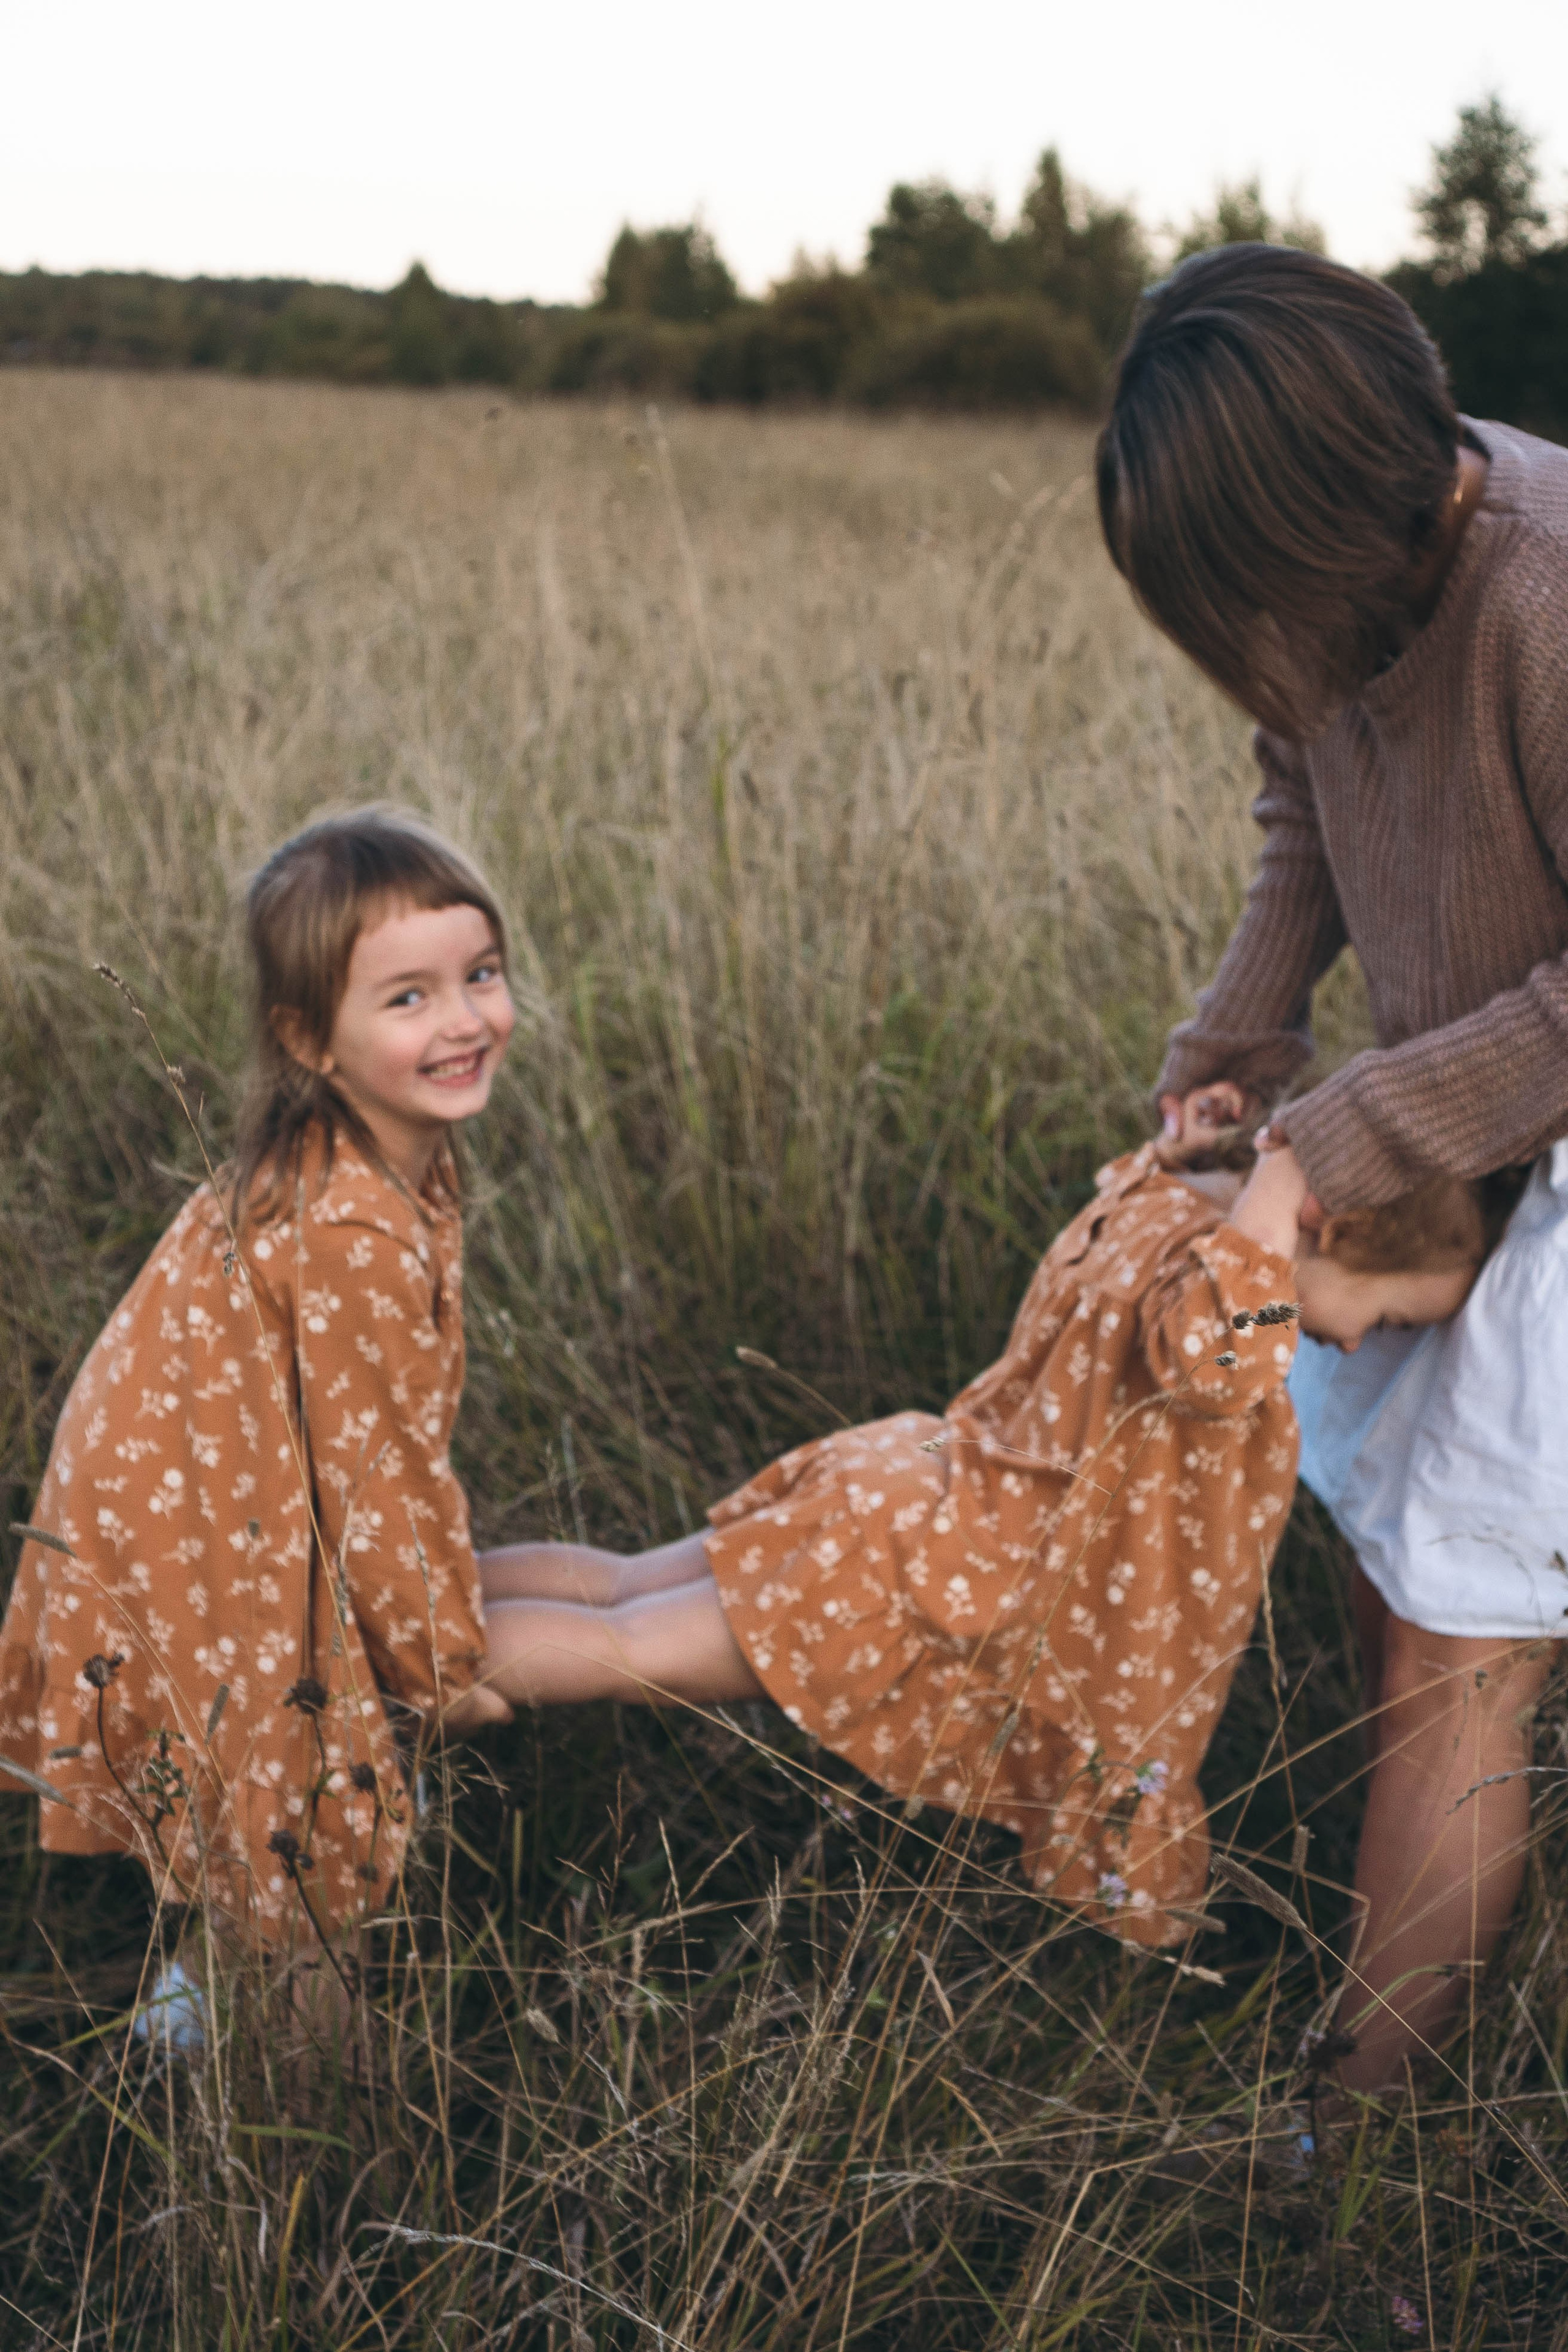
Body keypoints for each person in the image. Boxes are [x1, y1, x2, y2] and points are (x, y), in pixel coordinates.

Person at [1095, 240, 1568, 2089]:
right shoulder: (1341, 582)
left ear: (1339, 516)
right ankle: (1420, 1919)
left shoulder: (1543, 593)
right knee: (1387, 1527)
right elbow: (1305, 780)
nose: (1260, 661)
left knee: (1462, 1645)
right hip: (1489, 1103)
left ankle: (1365, 2144)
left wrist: (1349, 1124)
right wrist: (1244, 1040)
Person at [471, 1100, 1497, 1949]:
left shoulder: (1165, 1207)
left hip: (911, 1485)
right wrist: (1281, 1190)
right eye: (1392, 1318)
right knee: (626, 1643)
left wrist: (1251, 1171)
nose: (1364, 1347)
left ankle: (401, 1597)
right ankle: (376, 1666)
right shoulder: (1234, 1302)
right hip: (941, 1571)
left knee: (621, 1589)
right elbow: (1224, 1367)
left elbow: (1205, 1264)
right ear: (1335, 1227)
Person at [0, 806, 514, 1959]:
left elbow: (367, 1450)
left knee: (282, 1806)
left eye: (479, 973)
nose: (466, 1020)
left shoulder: (387, 1155)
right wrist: (443, 1677)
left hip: (215, 1503)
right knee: (312, 1842)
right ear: (310, 1042)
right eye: (408, 998)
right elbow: (376, 1482)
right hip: (193, 1539)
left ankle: (208, 1981)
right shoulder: (350, 1228)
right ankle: (305, 2088)